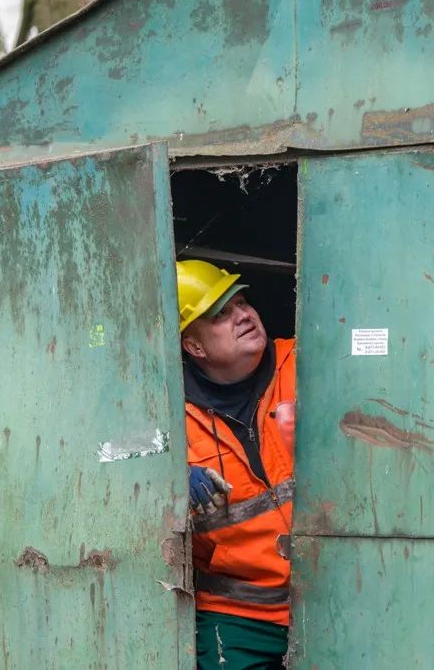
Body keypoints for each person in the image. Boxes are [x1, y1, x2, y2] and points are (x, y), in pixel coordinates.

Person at [176, 259, 296, 670]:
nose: (243, 315)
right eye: (220, 315)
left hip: (334, 589)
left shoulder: (302, 363)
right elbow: (109, 470)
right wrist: (167, 480)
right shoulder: (166, 411)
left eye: (241, 302)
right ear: (194, 347)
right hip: (239, 615)